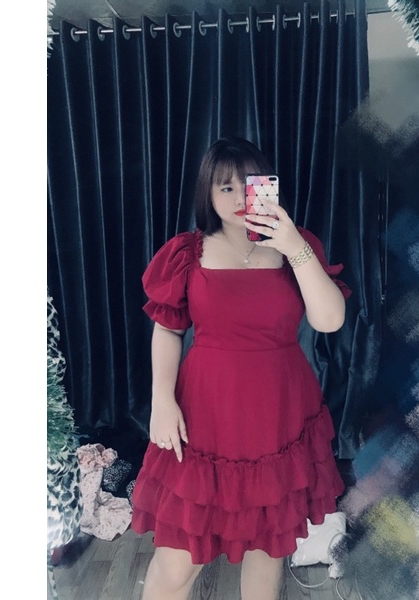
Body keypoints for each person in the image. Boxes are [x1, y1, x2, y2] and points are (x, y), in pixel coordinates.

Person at [131, 137, 351, 600]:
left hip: (280, 415)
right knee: (177, 564)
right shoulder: (187, 253)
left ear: (267, 188)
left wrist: (293, 246)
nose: (237, 198)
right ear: (207, 193)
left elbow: (329, 320)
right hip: (205, 415)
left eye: (248, 185)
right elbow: (167, 328)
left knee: (267, 552)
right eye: (224, 187)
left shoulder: (297, 246)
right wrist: (161, 400)